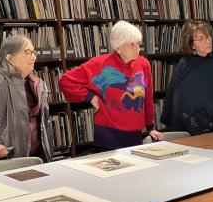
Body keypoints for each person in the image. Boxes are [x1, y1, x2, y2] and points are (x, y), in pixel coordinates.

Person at [59, 21, 163, 151]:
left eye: (138, 43)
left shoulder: (143, 64)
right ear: (118, 47)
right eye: (132, 44)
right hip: (107, 136)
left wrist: (150, 128)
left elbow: (147, 98)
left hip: (135, 134)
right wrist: (90, 97)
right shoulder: (99, 64)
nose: (138, 48)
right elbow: (65, 80)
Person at [0, 35, 54, 166]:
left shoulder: (38, 83)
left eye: (33, 52)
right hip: (5, 158)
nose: (33, 57)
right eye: (27, 52)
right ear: (10, 58)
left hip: (37, 157)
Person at [160, 20, 213, 136]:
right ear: (192, 45)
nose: (207, 41)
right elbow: (179, 99)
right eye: (201, 39)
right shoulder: (184, 65)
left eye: (208, 37)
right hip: (190, 127)